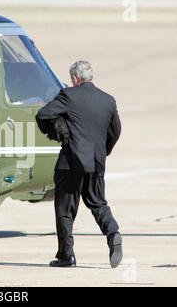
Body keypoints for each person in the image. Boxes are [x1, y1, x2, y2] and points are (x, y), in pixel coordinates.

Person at [36, 60, 122, 268]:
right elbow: (116, 131)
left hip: (71, 161)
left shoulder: (69, 95)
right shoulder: (108, 100)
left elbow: (43, 114)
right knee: (98, 202)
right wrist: (104, 151)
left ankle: (66, 254)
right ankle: (113, 234)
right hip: (96, 161)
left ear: (75, 79)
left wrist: (57, 130)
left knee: (65, 208)